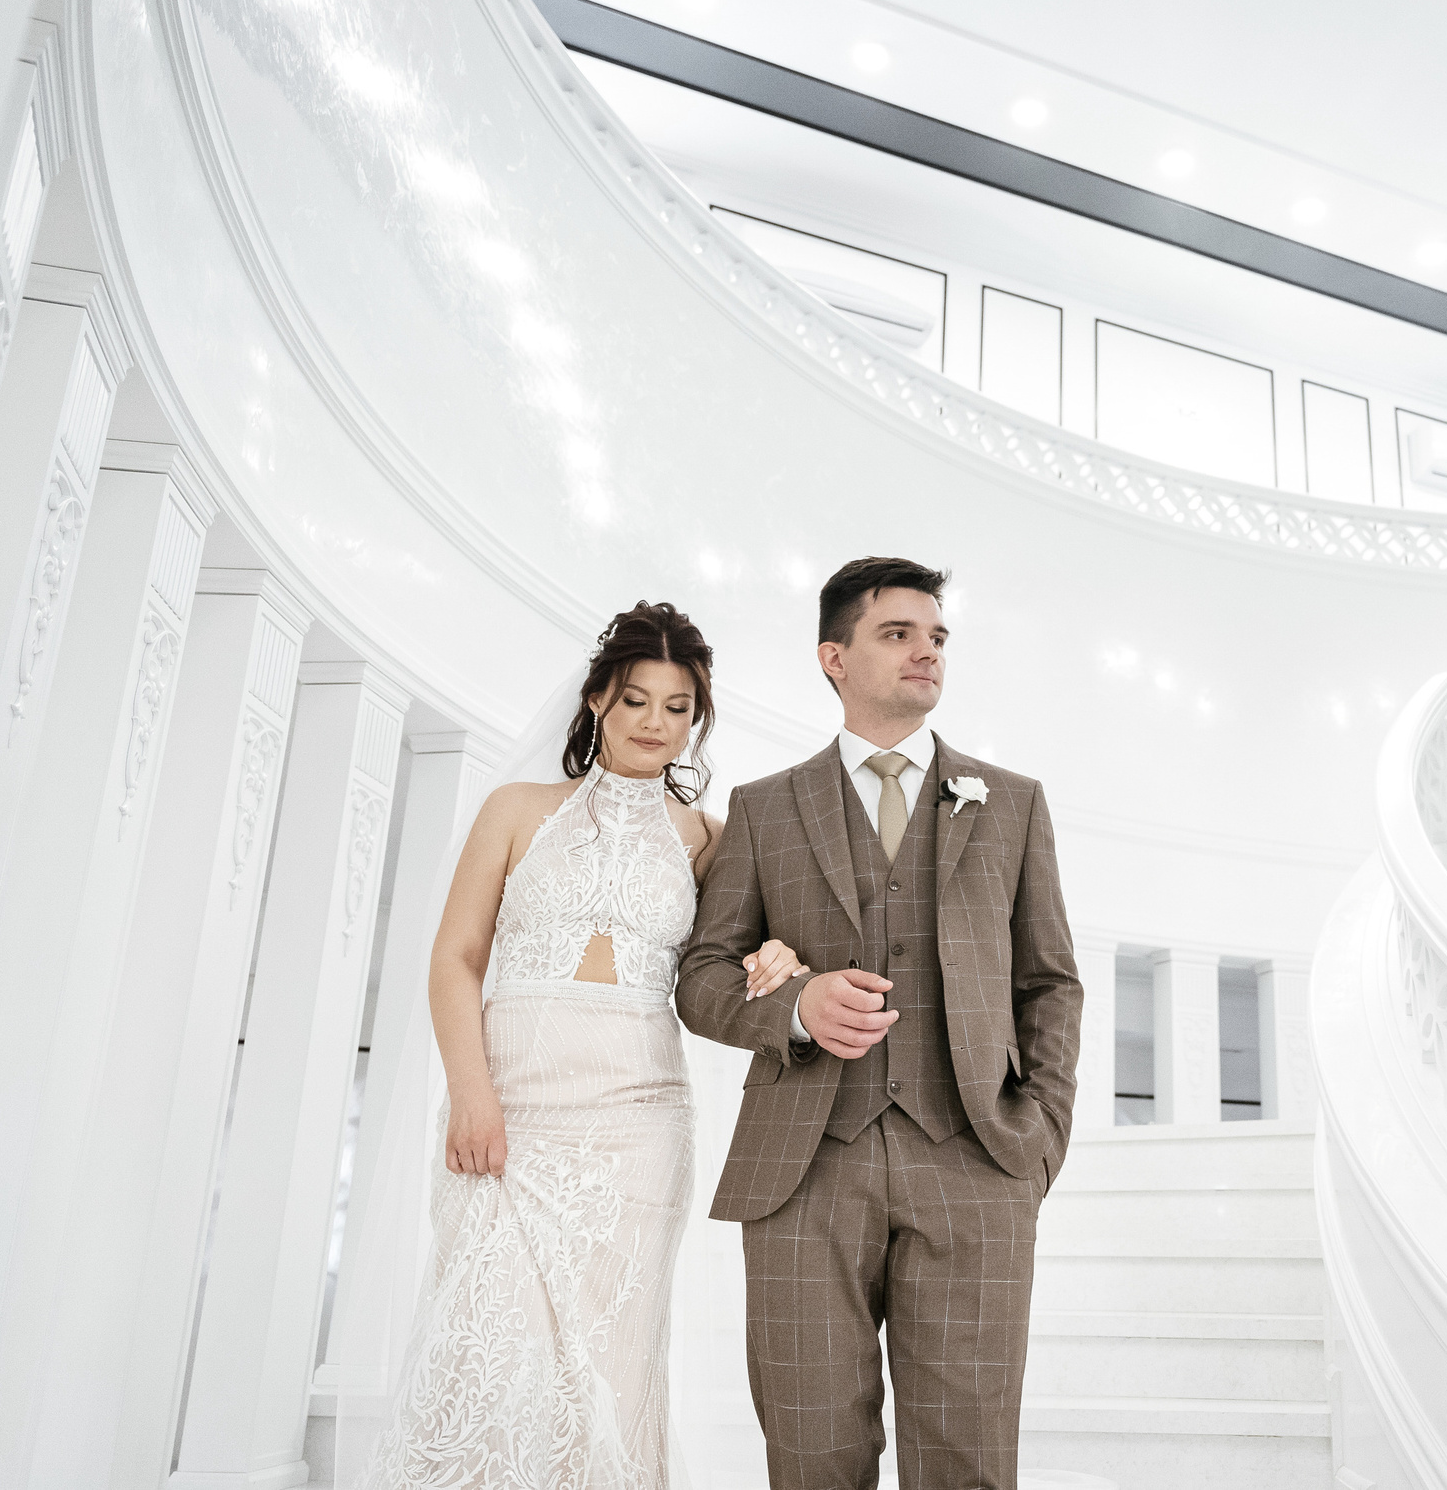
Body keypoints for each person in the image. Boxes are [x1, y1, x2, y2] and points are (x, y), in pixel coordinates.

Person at [363, 603, 806, 1485]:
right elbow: (455, 959)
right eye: (636, 699)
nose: (655, 723)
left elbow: (734, 955)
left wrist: (778, 950)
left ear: (696, 718)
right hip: (512, 1111)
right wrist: (473, 1093)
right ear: (598, 698)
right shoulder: (515, 809)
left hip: (639, 1128)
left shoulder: (710, 840)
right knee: (481, 1350)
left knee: (610, 1366)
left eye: (677, 707)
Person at [676, 557, 1084, 1490]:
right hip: (803, 1166)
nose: (925, 652)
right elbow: (700, 976)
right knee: (813, 1455)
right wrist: (793, 1005)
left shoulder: (1011, 802)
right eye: (897, 634)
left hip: (977, 1159)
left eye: (936, 636)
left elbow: (1050, 981)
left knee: (968, 1459)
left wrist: (1041, 1138)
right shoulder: (766, 806)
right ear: (834, 657)